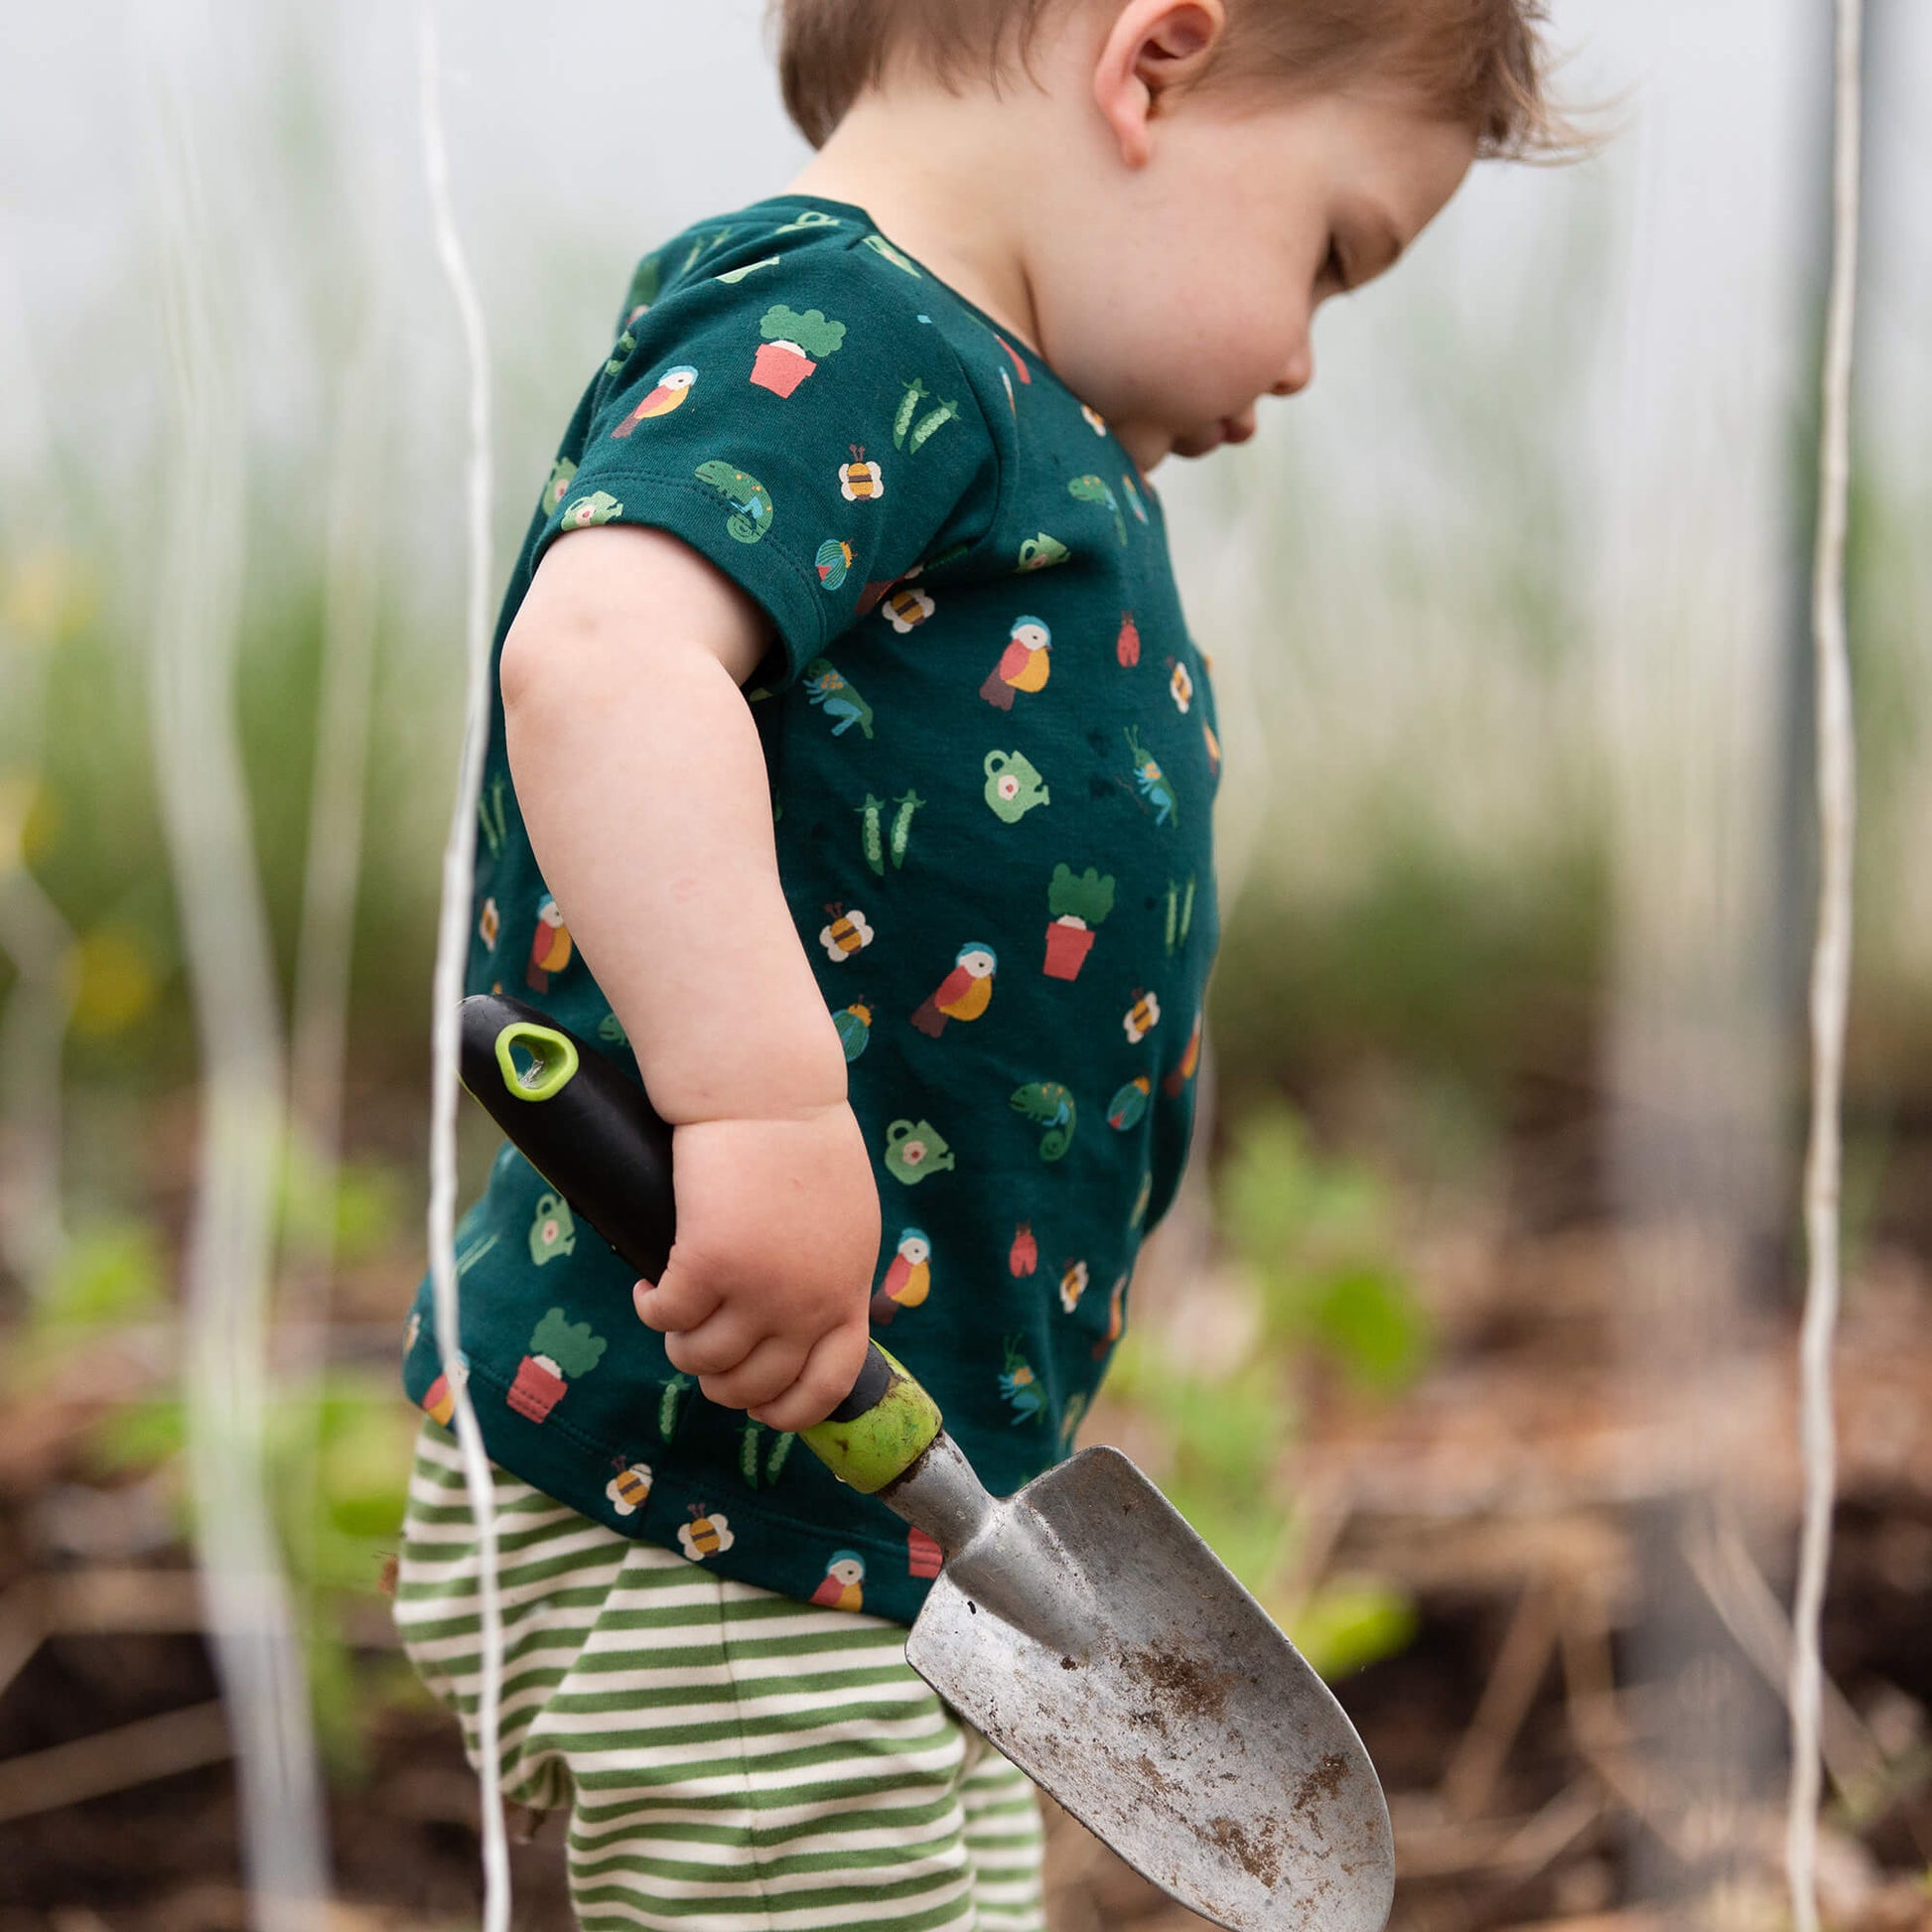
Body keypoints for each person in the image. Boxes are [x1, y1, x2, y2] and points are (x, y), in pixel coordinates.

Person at [391, 2, 1572, 1926]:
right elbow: (599, 661)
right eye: (1332, 258)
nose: (1292, 357)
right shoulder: (854, 328)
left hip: (883, 1480)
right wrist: (756, 1104)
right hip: (715, 1472)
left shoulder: (1001, 419)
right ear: (1155, 62)